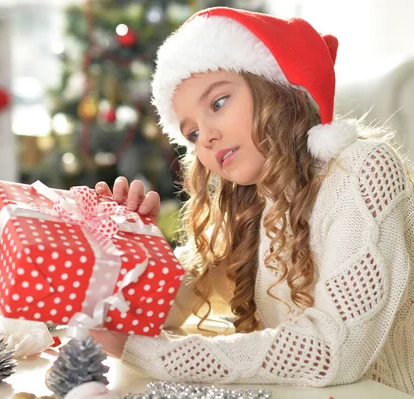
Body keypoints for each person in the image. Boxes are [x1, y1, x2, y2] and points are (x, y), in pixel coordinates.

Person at [91, 6, 414, 394]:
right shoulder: (251, 203)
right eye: (191, 134)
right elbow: (168, 310)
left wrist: (154, 354)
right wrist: (138, 245)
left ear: (272, 86)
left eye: (218, 103)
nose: (206, 137)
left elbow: (334, 350)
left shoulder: (363, 170)